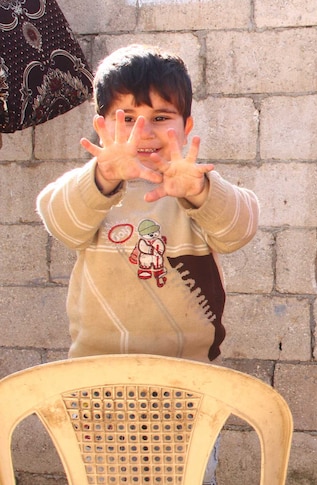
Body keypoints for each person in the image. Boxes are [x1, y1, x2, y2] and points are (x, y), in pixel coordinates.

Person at [36, 44, 259, 485]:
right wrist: (102, 178)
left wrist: (198, 191)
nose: (145, 131)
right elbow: (59, 221)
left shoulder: (195, 192)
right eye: (128, 118)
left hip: (187, 389)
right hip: (99, 389)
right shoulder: (92, 193)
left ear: (186, 125)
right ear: (102, 128)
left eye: (161, 117)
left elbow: (240, 227)